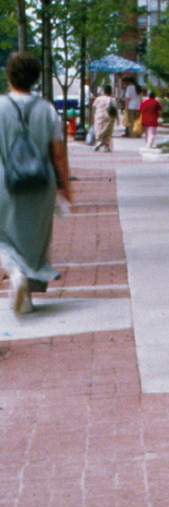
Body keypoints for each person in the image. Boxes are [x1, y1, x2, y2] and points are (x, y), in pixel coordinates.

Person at [0, 51, 72, 316]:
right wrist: (66, 188)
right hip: (42, 184)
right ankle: (26, 298)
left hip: (5, 183)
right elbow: (58, 153)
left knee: (4, 237)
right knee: (33, 240)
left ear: (9, 75)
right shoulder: (48, 109)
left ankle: (15, 273)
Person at [90, 85, 116, 150]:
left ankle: (99, 141)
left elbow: (94, 107)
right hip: (109, 116)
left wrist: (93, 116)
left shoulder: (98, 99)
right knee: (108, 130)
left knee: (98, 128)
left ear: (104, 91)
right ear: (110, 91)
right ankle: (106, 145)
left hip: (99, 115)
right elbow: (115, 109)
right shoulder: (112, 99)